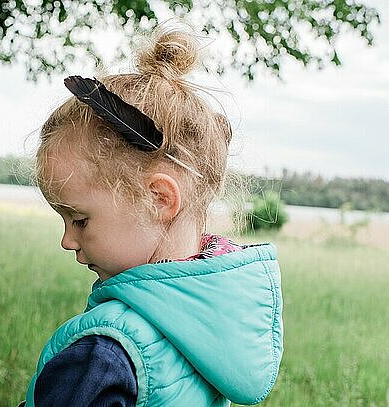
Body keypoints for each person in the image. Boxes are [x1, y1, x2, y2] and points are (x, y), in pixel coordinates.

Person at [20, 23, 284, 407]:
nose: (67, 240)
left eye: (79, 219)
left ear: (159, 199)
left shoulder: (104, 353)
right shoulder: (216, 329)